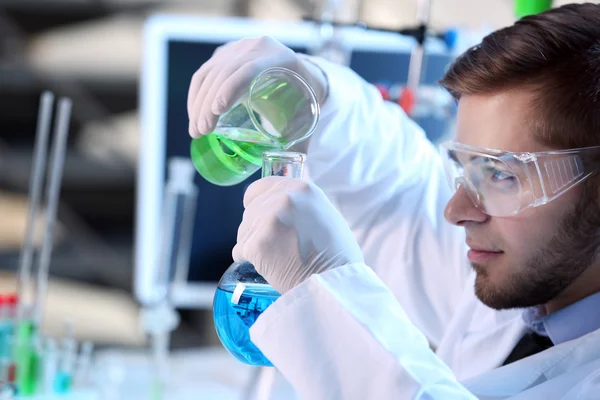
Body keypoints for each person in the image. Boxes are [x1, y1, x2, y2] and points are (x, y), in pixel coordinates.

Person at [187, 3, 600, 399]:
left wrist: (326, 293)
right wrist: (317, 98)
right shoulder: (532, 284)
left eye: (502, 174)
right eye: (466, 168)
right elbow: (395, 198)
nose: (456, 211)